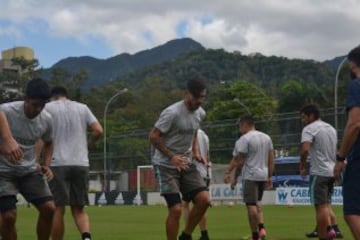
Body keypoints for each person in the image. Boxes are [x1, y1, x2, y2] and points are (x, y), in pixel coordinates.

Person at [149, 76, 211, 240]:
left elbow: (194, 132)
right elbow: (154, 136)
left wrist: (196, 151)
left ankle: (186, 235)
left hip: (186, 162)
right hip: (165, 164)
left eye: (202, 97)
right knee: (176, 209)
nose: (199, 101)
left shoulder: (200, 113)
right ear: (187, 94)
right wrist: (171, 156)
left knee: (204, 200)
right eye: (196, 97)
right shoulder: (172, 113)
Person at [44, 86, 103, 240]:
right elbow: (98, 130)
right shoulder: (82, 108)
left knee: (58, 209)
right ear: (67, 95)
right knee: (79, 209)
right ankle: (86, 237)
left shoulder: (48, 108)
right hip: (81, 162)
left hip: (57, 163)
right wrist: (88, 145)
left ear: (52, 97)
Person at [0, 78, 56, 240]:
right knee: (9, 216)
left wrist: (46, 164)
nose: (38, 109)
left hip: (29, 171)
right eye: (34, 104)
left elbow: (49, 142)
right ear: (25, 99)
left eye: (42, 105)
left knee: (49, 209)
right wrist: (7, 143)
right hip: (3, 172)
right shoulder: (8, 111)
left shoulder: (46, 119)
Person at [224, 115, 274, 240]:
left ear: (245, 125)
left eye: (240, 126)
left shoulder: (244, 139)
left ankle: (255, 235)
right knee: (257, 203)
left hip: (250, 176)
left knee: (250, 205)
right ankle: (262, 229)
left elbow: (239, 160)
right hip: (263, 175)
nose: (239, 128)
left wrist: (235, 177)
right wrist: (269, 176)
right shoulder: (266, 137)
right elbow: (271, 160)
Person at [299, 104, 341, 240]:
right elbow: (335, 151)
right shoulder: (331, 129)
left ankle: (324, 236)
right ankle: (332, 229)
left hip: (319, 172)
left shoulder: (309, 129)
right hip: (331, 172)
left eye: (304, 117)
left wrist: (302, 166)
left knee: (320, 207)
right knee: (327, 204)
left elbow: (305, 150)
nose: (303, 120)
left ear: (311, 115)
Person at [334, 45, 360, 239]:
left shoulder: (356, 85)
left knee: (352, 212)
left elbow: (355, 124)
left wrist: (341, 157)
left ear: (352, 64)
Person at [182, 129, 211, 240]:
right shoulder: (205, 135)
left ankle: (187, 233)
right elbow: (207, 154)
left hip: (194, 172)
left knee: (185, 204)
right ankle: (204, 234)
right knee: (200, 206)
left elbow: (192, 153)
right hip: (205, 171)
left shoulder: (189, 132)